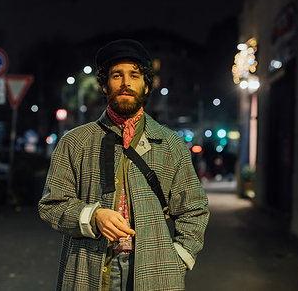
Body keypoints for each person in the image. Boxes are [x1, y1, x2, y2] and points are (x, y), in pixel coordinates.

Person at [39, 39, 209, 291]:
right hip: (89, 267)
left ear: (146, 84)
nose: (126, 83)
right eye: (117, 75)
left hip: (156, 272)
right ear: (105, 85)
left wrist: (180, 256)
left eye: (134, 75)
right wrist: (93, 216)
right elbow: (51, 205)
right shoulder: (75, 142)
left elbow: (194, 209)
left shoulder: (170, 144)